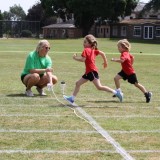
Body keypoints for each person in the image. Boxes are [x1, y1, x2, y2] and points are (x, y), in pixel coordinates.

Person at [63, 34, 123, 104]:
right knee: (78, 83)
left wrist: (75, 58)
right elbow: (102, 53)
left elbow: (83, 59)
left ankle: (117, 93)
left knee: (99, 87)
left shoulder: (86, 50)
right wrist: (105, 62)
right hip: (89, 72)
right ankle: (72, 98)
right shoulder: (93, 50)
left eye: (85, 42)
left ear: (90, 43)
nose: (84, 44)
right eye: (83, 42)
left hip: (92, 72)